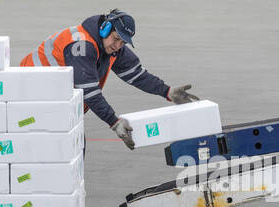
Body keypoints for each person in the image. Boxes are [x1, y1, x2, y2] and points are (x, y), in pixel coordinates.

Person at [20, 9, 197, 149]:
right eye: (116, 39)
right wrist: (113, 121)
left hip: (56, 104)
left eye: (123, 43)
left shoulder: (111, 48)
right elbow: (89, 91)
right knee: (54, 153)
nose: (118, 46)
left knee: (72, 151)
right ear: (105, 28)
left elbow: (137, 75)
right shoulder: (80, 45)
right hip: (30, 99)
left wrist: (167, 91)